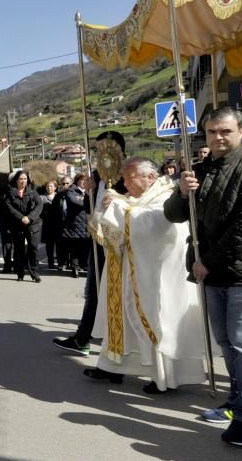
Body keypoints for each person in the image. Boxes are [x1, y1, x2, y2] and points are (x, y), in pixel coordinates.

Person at [164, 107, 242, 447]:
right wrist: (182, 193)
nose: (218, 137)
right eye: (212, 131)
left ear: (241, 131)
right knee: (227, 343)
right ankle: (237, 400)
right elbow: (173, 215)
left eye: (225, 131)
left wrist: (207, 262)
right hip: (213, 272)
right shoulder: (199, 170)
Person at [83, 158, 206, 393]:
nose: (125, 183)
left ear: (150, 177)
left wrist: (118, 207)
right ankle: (112, 367)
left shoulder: (166, 195)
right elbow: (121, 223)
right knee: (126, 320)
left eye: (130, 178)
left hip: (159, 276)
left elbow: (155, 227)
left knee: (158, 322)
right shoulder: (142, 197)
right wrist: (111, 205)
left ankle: (166, 378)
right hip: (133, 269)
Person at [53, 131, 127, 356]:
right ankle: (83, 337)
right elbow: (92, 209)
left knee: (117, 295)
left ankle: (114, 343)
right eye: (96, 150)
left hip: (121, 243)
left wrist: (120, 199)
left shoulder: (128, 173)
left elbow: (140, 203)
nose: (99, 154)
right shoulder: (97, 174)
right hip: (98, 240)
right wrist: (90, 191)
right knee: (93, 291)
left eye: (104, 149)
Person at [3, 170, 42, 282]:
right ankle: (20, 273)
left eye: (25, 179)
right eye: (21, 179)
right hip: (17, 224)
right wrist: (21, 218)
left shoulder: (32, 191)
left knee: (33, 248)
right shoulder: (10, 192)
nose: (23, 181)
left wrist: (29, 217)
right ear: (16, 180)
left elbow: (39, 205)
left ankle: (34, 273)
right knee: (19, 250)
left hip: (32, 224)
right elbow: (9, 207)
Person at [60, 174, 90, 278]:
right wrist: (85, 200)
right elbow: (77, 202)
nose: (84, 182)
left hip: (87, 224)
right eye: (82, 180)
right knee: (75, 248)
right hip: (75, 224)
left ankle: (84, 265)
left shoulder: (89, 191)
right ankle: (75, 267)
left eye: (86, 180)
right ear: (77, 181)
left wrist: (84, 199)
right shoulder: (71, 191)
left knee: (85, 247)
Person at [39, 180, 61, 270]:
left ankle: (60, 263)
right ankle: (51, 263)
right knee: (49, 245)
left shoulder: (59, 196)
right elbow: (39, 211)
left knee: (59, 245)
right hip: (47, 224)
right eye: (47, 186)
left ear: (55, 187)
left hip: (59, 224)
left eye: (51, 186)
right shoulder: (42, 197)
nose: (49, 188)